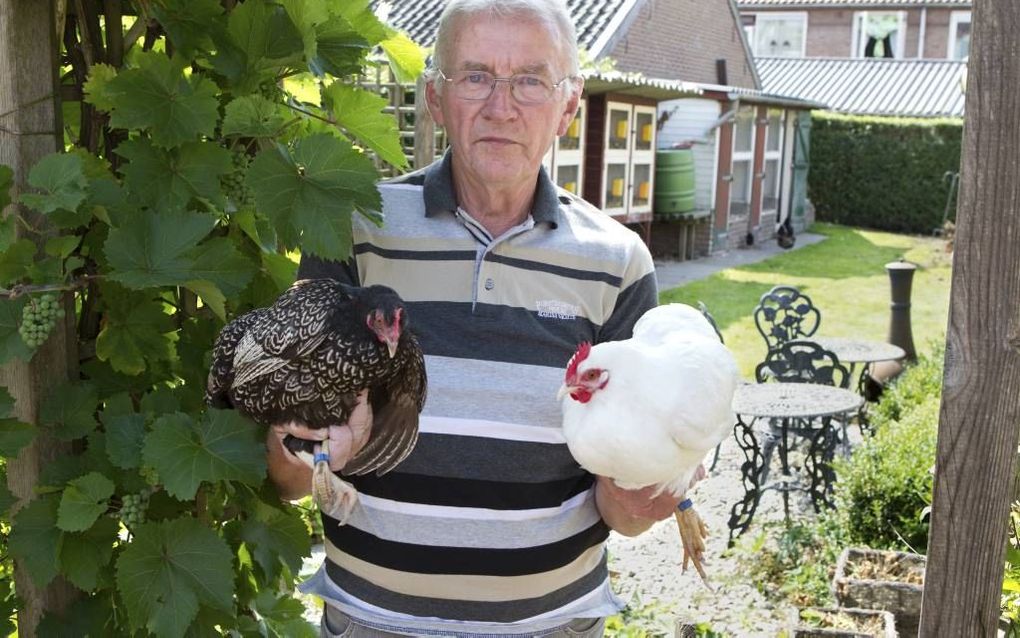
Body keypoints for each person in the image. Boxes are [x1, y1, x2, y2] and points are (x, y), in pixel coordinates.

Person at [266, 0, 686, 634]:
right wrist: (308, 446)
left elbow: (619, 507)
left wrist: (639, 498)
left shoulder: (618, 263)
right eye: (476, 76)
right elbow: (287, 475)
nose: (501, 105)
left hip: (551, 625)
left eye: (530, 80)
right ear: (435, 98)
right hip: (377, 623)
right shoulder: (354, 231)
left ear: (568, 107)